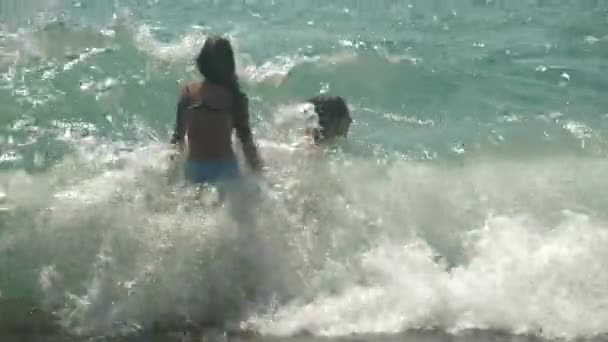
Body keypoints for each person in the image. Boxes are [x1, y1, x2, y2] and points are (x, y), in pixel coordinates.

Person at [170, 36, 262, 185]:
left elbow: (177, 140)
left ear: (202, 62)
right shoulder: (235, 97)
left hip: (196, 170)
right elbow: (247, 143)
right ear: (229, 65)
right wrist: (260, 175)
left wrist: (170, 177)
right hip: (227, 172)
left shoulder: (189, 93)